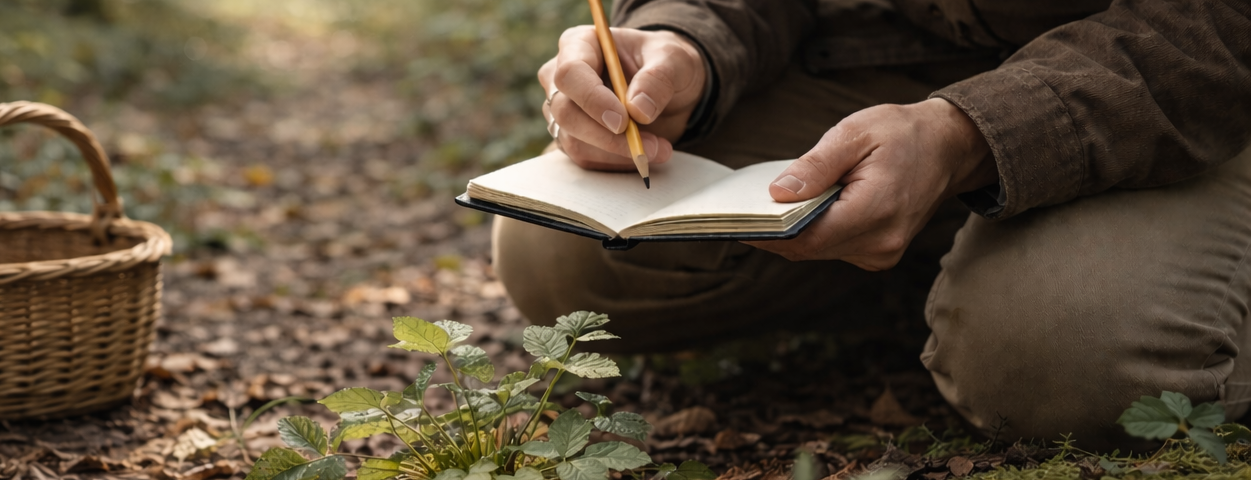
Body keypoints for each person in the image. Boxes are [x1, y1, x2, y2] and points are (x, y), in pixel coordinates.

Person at [494, 0, 1251, 448]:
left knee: (1064, 358)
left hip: (1182, 81)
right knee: (564, 246)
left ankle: (997, 276)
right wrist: (684, 38)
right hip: (896, 53)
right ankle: (940, 261)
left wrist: (973, 134)